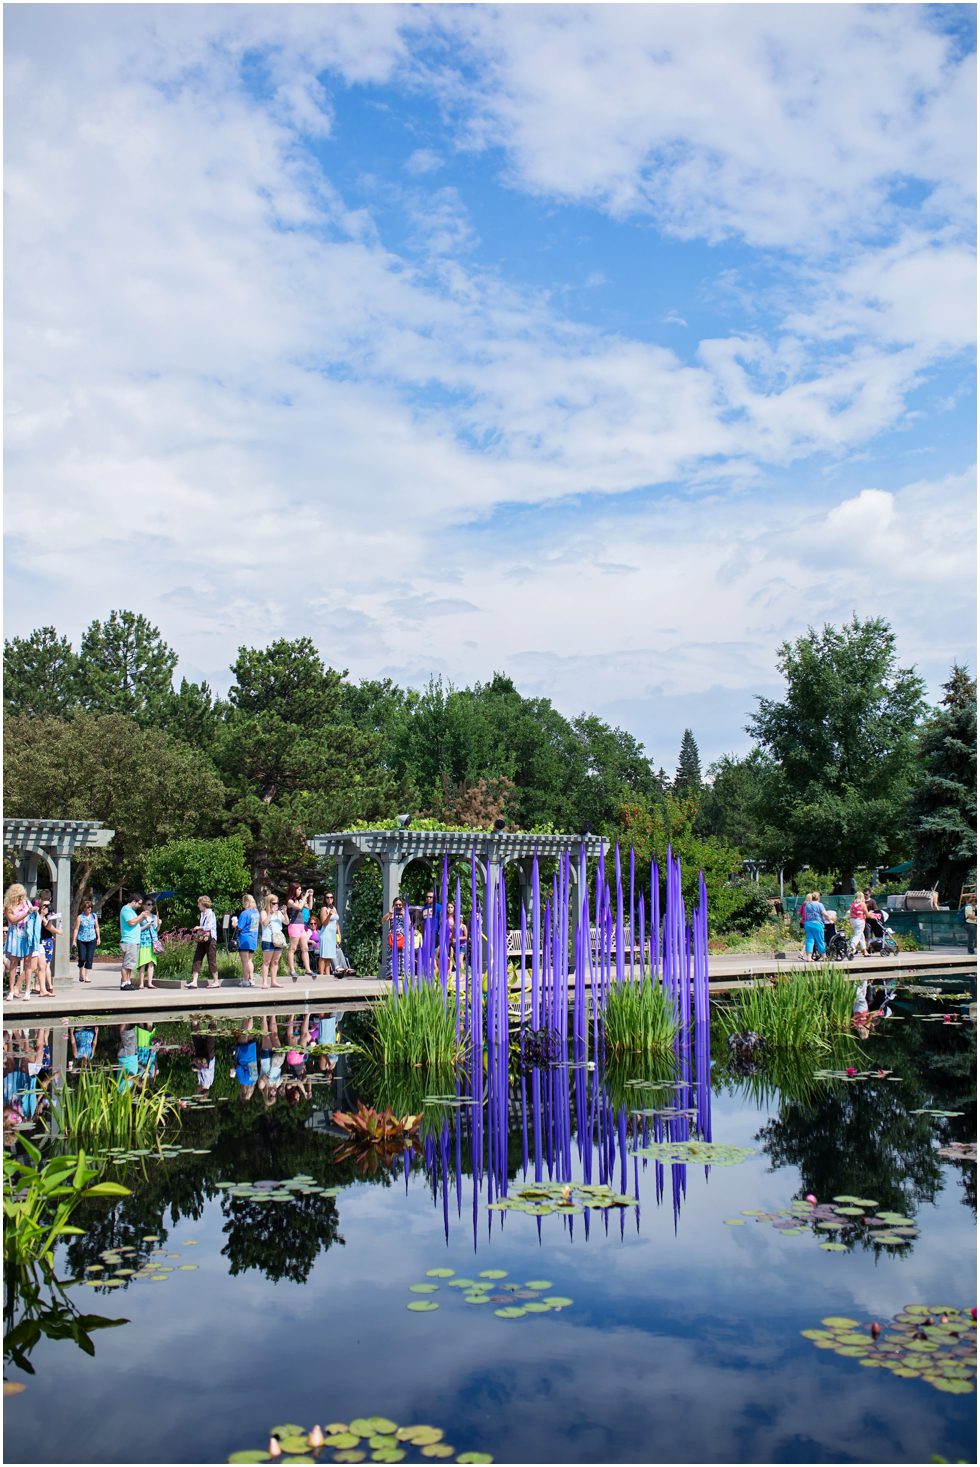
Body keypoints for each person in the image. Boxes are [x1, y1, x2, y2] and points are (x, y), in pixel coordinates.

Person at [4, 885, 38, 1000]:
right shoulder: (9, 906)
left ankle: (27, 991)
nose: (21, 898)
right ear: (13, 896)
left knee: (28, 963)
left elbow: (34, 917)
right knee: (13, 964)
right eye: (19, 896)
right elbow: (12, 920)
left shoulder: (27, 903)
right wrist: (27, 913)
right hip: (15, 937)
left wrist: (35, 912)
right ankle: (11, 991)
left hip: (27, 936)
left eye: (23, 896)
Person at [184, 896, 220, 989]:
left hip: (210, 940)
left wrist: (199, 927)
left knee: (211, 960)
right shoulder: (202, 914)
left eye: (199, 903)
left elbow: (209, 927)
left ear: (204, 904)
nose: (198, 905)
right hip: (202, 939)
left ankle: (216, 981)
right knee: (197, 958)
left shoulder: (210, 914)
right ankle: (194, 981)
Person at [284, 883, 316, 980]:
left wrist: (310, 896)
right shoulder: (290, 901)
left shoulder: (299, 900)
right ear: (294, 890)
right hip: (294, 926)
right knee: (293, 948)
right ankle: (292, 970)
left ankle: (308, 970)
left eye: (300, 889)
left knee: (305, 948)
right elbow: (299, 907)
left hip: (302, 926)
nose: (300, 891)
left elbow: (310, 907)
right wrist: (305, 896)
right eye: (298, 889)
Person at [119, 893, 149, 991]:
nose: (139, 906)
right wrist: (141, 915)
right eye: (139, 904)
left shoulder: (131, 911)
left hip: (134, 940)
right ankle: (124, 983)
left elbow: (136, 923)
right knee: (127, 963)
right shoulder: (126, 910)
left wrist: (143, 918)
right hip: (129, 940)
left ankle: (128, 982)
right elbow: (131, 922)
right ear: (133, 901)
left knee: (131, 964)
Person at [259, 895, 286, 989]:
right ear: (269, 903)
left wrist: (285, 913)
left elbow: (286, 922)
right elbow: (264, 923)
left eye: (277, 903)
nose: (276, 905)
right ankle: (264, 982)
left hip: (278, 939)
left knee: (275, 961)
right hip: (268, 939)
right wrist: (270, 913)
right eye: (274, 903)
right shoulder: (264, 912)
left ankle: (273, 981)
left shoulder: (279, 913)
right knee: (267, 961)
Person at [72, 899, 100, 984]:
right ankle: (81, 971)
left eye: (90, 907)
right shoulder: (80, 917)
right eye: (88, 907)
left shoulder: (94, 916)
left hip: (92, 939)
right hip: (81, 939)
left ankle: (87, 976)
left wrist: (98, 938)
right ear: (84, 908)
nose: (89, 909)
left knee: (89, 958)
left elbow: (96, 927)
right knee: (82, 958)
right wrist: (74, 940)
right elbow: (76, 929)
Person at [135, 901, 160, 990]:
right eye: (148, 904)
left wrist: (159, 924)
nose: (151, 906)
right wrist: (146, 926)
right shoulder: (141, 916)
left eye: (152, 904)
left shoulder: (154, 916)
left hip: (153, 942)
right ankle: (141, 983)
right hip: (143, 941)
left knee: (151, 962)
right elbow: (136, 929)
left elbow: (156, 930)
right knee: (142, 963)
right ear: (143, 906)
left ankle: (150, 983)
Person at [236, 894, 259, 987]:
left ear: (246, 902)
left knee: (245, 961)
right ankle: (251, 979)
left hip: (244, 939)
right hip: (253, 938)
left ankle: (245, 980)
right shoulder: (256, 913)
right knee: (250, 960)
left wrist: (234, 923)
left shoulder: (244, 913)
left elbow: (240, 927)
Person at [802, 891, 832, 961]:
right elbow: (825, 914)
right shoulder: (819, 905)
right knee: (820, 940)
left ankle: (809, 957)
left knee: (809, 940)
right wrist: (830, 920)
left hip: (808, 924)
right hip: (817, 924)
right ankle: (824, 956)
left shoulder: (807, 905)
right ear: (819, 898)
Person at [319, 893, 340, 977]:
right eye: (327, 897)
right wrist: (329, 915)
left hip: (332, 935)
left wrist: (338, 934)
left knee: (329, 956)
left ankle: (327, 975)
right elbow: (324, 923)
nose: (329, 899)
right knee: (323, 955)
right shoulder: (324, 909)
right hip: (325, 934)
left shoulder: (334, 908)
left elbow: (336, 922)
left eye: (331, 897)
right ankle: (321, 975)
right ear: (325, 899)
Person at [847, 892, 869, 958]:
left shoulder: (853, 903)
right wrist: (873, 916)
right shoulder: (862, 904)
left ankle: (865, 951)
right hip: (860, 920)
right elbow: (867, 914)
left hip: (852, 920)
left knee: (861, 935)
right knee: (858, 935)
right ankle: (852, 946)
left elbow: (851, 912)